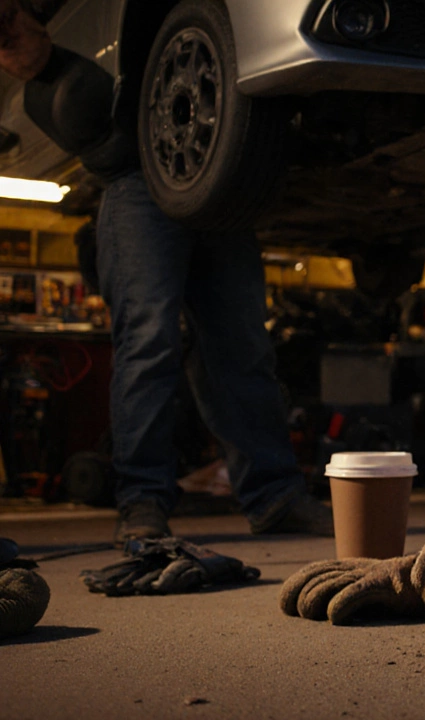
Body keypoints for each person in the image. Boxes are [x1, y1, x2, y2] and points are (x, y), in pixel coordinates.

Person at [0, 1, 332, 542]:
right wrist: (32, 50)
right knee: (149, 343)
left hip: (219, 175)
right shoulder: (43, 27)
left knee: (243, 345)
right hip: (135, 181)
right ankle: (142, 503)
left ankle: (274, 497)